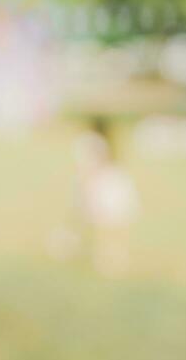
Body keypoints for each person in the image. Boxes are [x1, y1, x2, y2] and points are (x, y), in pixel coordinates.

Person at [51, 117, 139, 275]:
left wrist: (85, 192)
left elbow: (89, 169)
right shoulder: (107, 143)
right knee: (112, 226)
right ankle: (113, 258)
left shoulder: (90, 142)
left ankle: (104, 259)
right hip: (113, 185)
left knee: (101, 226)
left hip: (101, 188)